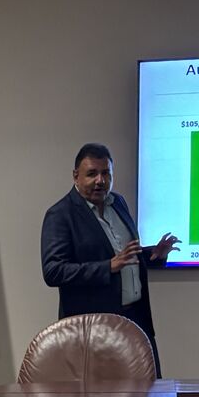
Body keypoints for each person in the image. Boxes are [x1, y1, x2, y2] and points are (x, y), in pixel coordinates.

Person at [39, 142, 177, 367]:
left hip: (136, 320)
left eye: (106, 173)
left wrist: (153, 254)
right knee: (104, 391)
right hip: (94, 331)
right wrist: (107, 267)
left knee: (148, 387)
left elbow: (123, 256)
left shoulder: (118, 203)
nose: (100, 180)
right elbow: (53, 271)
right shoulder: (60, 215)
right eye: (92, 174)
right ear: (76, 176)